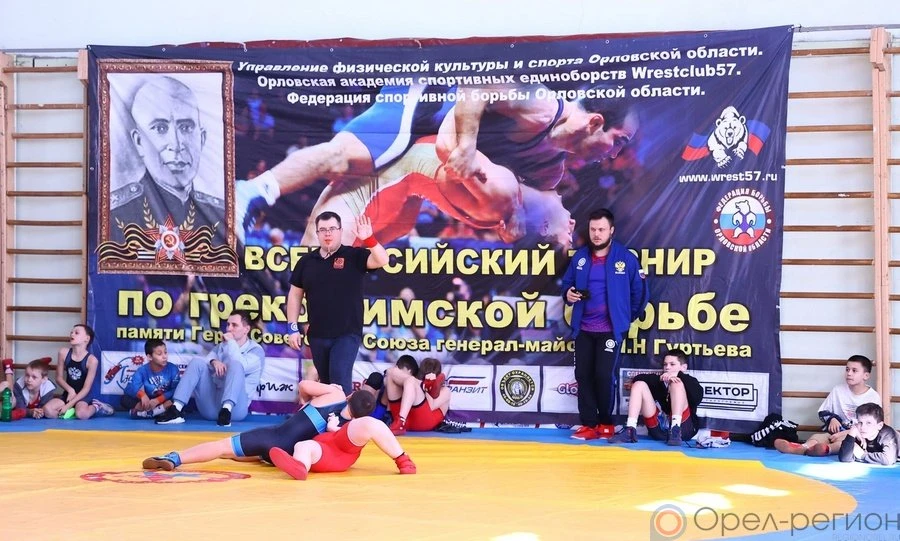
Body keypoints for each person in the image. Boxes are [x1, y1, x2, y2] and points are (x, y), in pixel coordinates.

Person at [235, 83, 637, 245]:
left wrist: (519, 222)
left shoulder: (552, 170)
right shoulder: (543, 105)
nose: (615, 155)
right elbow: (476, 91)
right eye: (618, 141)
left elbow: (515, 201)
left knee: (397, 224)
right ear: (595, 122)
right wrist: (467, 145)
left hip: (436, 152)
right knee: (343, 158)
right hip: (423, 108)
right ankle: (251, 192)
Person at [142, 381, 378, 471]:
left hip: (273, 437)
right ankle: (255, 456)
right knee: (247, 455)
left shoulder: (336, 394)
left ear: (350, 395)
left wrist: (310, 399)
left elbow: (304, 384)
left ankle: (176, 458)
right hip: (286, 455)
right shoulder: (351, 429)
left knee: (223, 447)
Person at [560, 208, 649, 441]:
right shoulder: (580, 257)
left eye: (601, 229)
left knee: (603, 375)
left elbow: (640, 293)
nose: (597, 234)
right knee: (583, 375)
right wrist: (567, 294)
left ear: (611, 230)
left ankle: (606, 423)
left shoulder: (625, 258)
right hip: (583, 329)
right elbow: (567, 284)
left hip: (610, 330)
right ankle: (589, 424)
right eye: (593, 229)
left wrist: (624, 318)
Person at [109, 75, 225, 245]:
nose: (176, 145)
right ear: (139, 142)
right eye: (160, 128)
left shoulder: (222, 215)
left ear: (202, 139)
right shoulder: (115, 215)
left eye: (186, 127)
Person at [286, 213, 388, 394]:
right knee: (326, 385)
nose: (328, 233)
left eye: (332, 229)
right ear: (317, 233)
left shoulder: (354, 256)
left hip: (347, 333)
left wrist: (369, 239)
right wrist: (292, 328)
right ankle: (332, 412)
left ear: (340, 231)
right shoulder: (306, 261)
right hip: (317, 334)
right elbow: (295, 295)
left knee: (339, 379)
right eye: (323, 230)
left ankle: (343, 413)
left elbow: (382, 260)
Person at [155, 310, 264, 426]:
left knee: (236, 365)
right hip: (211, 408)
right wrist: (214, 362)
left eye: (234, 325)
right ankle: (176, 410)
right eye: (228, 324)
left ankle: (226, 411)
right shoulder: (222, 346)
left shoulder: (256, 350)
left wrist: (231, 342)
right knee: (197, 362)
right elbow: (208, 358)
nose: (229, 329)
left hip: (236, 410)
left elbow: (241, 365)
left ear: (246, 329)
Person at [775, 355, 880, 456]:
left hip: (856, 436)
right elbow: (823, 412)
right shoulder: (838, 390)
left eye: (854, 370)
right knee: (819, 437)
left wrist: (846, 433)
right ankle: (802, 448)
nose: (849, 373)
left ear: (866, 376)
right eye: (847, 369)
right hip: (835, 433)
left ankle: (826, 450)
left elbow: (873, 425)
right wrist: (832, 419)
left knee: (842, 442)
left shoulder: (873, 397)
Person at [269, 414, 417, 481]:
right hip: (328, 451)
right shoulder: (340, 430)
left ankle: (301, 465)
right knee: (303, 446)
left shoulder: (349, 427)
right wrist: (332, 425)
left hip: (335, 449)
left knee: (303, 446)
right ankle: (300, 467)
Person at [609, 348, 702, 445]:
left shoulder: (690, 380)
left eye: (672, 364)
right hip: (659, 431)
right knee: (639, 384)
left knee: (676, 383)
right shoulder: (659, 380)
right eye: (665, 364)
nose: (667, 367)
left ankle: (675, 429)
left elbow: (697, 398)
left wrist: (678, 376)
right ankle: (630, 430)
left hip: (684, 430)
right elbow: (639, 378)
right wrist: (660, 379)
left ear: (683, 367)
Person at [43, 324, 115, 420]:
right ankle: (71, 412)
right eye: (71, 332)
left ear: (87, 339)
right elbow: (58, 378)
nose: (72, 334)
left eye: (76, 333)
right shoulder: (63, 353)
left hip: (83, 395)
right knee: (47, 410)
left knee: (82, 414)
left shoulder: (92, 360)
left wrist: (68, 405)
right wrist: (70, 390)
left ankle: (96, 406)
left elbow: (86, 388)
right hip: (68, 394)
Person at [384, 355, 451, 435]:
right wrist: (422, 383)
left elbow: (432, 406)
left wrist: (429, 384)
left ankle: (400, 421)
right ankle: (400, 422)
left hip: (423, 422)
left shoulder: (446, 391)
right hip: (403, 418)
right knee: (390, 371)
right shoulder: (412, 383)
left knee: (411, 381)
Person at [121, 339, 181, 419]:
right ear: (149, 357)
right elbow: (129, 389)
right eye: (159, 354)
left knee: (177, 401)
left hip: (165, 400)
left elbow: (176, 390)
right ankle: (157, 412)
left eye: (165, 352)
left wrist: (158, 400)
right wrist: (142, 395)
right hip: (149, 402)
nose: (164, 356)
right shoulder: (142, 370)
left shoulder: (173, 369)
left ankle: (148, 413)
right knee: (124, 399)